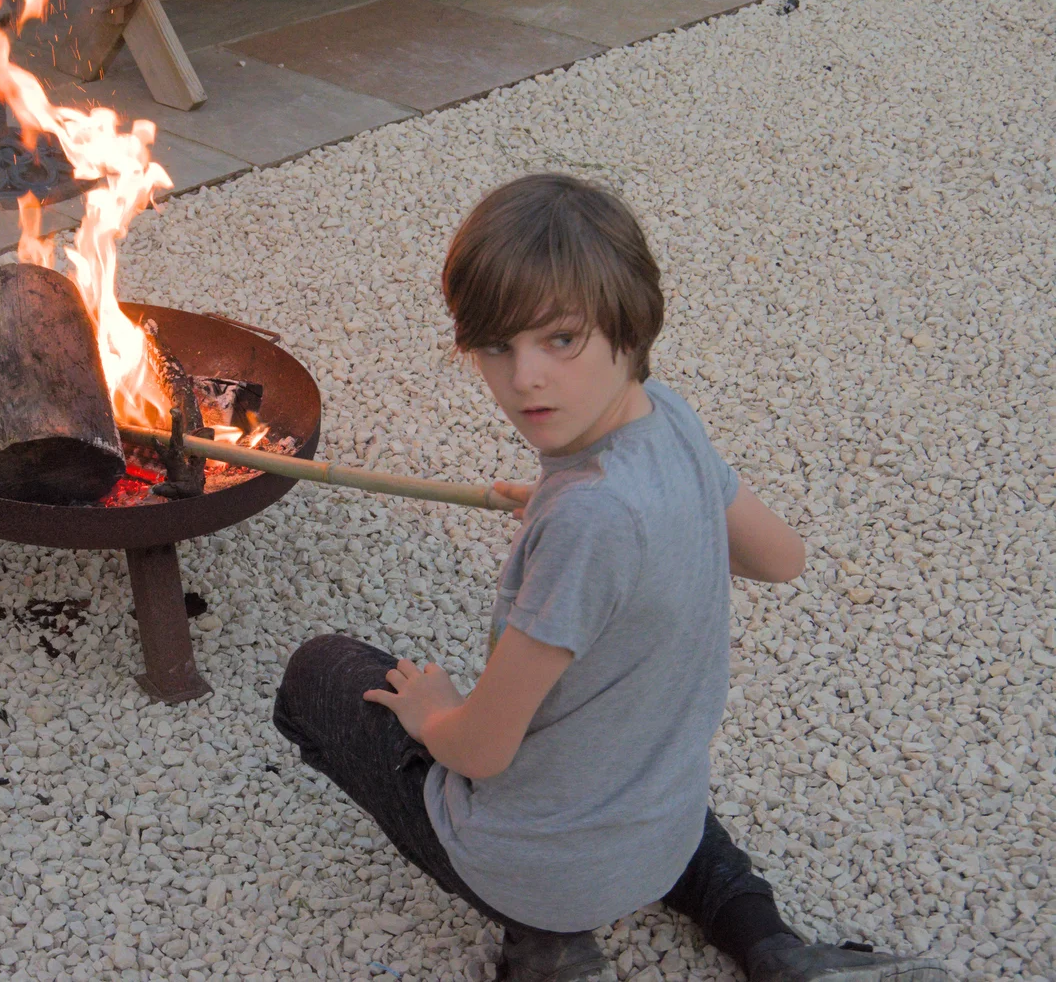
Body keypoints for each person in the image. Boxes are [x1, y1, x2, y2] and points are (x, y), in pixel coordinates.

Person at [273, 175, 947, 982]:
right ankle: (771, 945)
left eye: (559, 340)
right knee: (627, 757)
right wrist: (569, 506)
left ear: (632, 328)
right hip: (659, 828)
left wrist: (431, 712)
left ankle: (546, 943)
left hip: (544, 867)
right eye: (496, 346)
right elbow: (781, 558)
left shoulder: (589, 524)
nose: (523, 378)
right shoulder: (669, 420)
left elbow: (483, 750)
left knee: (322, 673)